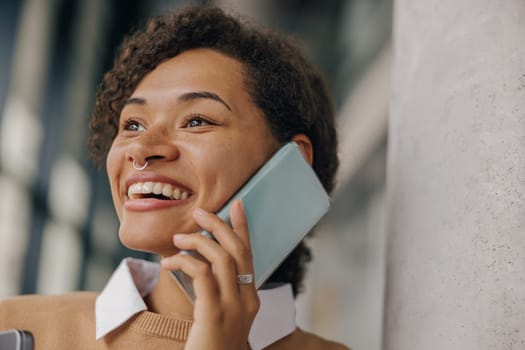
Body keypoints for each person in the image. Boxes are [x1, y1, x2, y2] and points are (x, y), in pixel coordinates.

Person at [0, 5, 348, 350]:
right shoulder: (15, 325)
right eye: (133, 125)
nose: (141, 149)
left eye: (196, 120)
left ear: (293, 164)